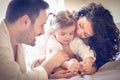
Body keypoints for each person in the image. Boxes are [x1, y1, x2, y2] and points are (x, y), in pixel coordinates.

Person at [48, 2, 120, 80]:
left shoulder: (85, 43)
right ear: (80, 16)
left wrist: (89, 65)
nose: (79, 32)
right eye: (80, 25)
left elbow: (89, 54)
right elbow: (45, 60)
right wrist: (54, 72)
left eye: (86, 34)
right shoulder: (60, 26)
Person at [0, 0, 70, 80]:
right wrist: (50, 63)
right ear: (25, 21)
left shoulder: (18, 40)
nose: (43, 32)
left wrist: (49, 75)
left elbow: (22, 74)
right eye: (42, 25)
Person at [45, 10, 95, 79]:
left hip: (73, 63)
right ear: (53, 32)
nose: (68, 37)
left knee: (88, 67)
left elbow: (84, 50)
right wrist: (67, 64)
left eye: (71, 33)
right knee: (49, 64)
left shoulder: (75, 40)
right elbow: (54, 59)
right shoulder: (53, 41)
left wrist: (88, 60)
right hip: (57, 64)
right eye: (63, 34)